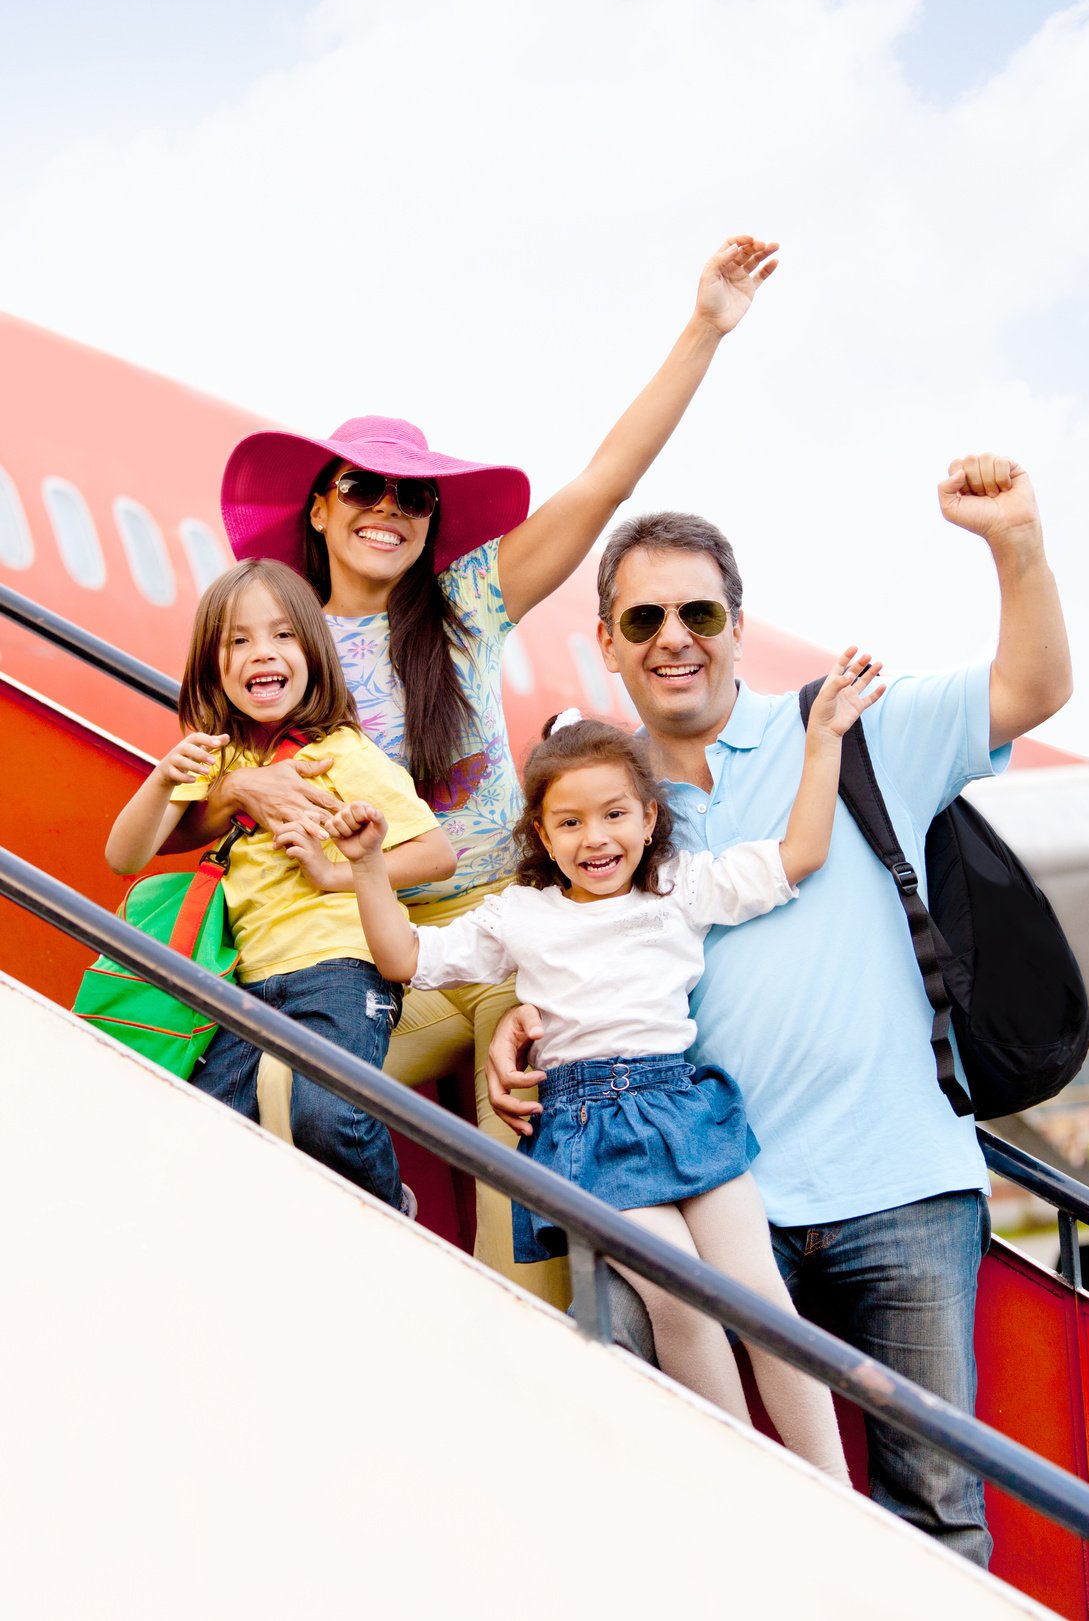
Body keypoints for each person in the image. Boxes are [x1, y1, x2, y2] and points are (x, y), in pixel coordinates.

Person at [487, 454, 1073, 1563]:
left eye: (696, 610)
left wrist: (1016, 544)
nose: (673, 635)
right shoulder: (596, 812)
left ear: (736, 626)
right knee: (664, 1499)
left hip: (894, 1185)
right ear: (605, 642)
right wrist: (517, 1024)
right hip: (695, 1191)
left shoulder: (846, 732)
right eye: (642, 616)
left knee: (935, 1514)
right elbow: (545, 954)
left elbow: (1031, 690)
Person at [181, 234, 780, 1303]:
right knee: (289, 1098)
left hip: (518, 926)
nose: (388, 508)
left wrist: (704, 327)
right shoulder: (277, 641)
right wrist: (239, 787)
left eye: (412, 497)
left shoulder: (465, 603)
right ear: (319, 505)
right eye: (362, 487)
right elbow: (189, 786)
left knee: (527, 1214)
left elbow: (606, 482)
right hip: (390, 952)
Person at [323, 655, 888, 1482]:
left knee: (763, 1299)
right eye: (571, 823)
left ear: (650, 816)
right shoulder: (521, 915)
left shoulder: (680, 890)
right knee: (676, 1297)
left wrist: (824, 739)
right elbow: (405, 955)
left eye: (615, 814)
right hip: (587, 1123)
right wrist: (371, 867)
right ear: (543, 837)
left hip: (677, 1100)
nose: (597, 839)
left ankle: (836, 1495)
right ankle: (753, 1490)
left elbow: (800, 852)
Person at [106, 558, 455, 1211]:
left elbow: (436, 854)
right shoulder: (219, 757)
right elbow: (125, 855)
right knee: (204, 1124)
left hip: (341, 972)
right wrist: (162, 778)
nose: (260, 652)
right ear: (213, 664)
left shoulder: (342, 753)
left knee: (326, 1113)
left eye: (281, 635)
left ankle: (391, 1205)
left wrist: (343, 869)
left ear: (314, 653)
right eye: (237, 640)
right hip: (248, 985)